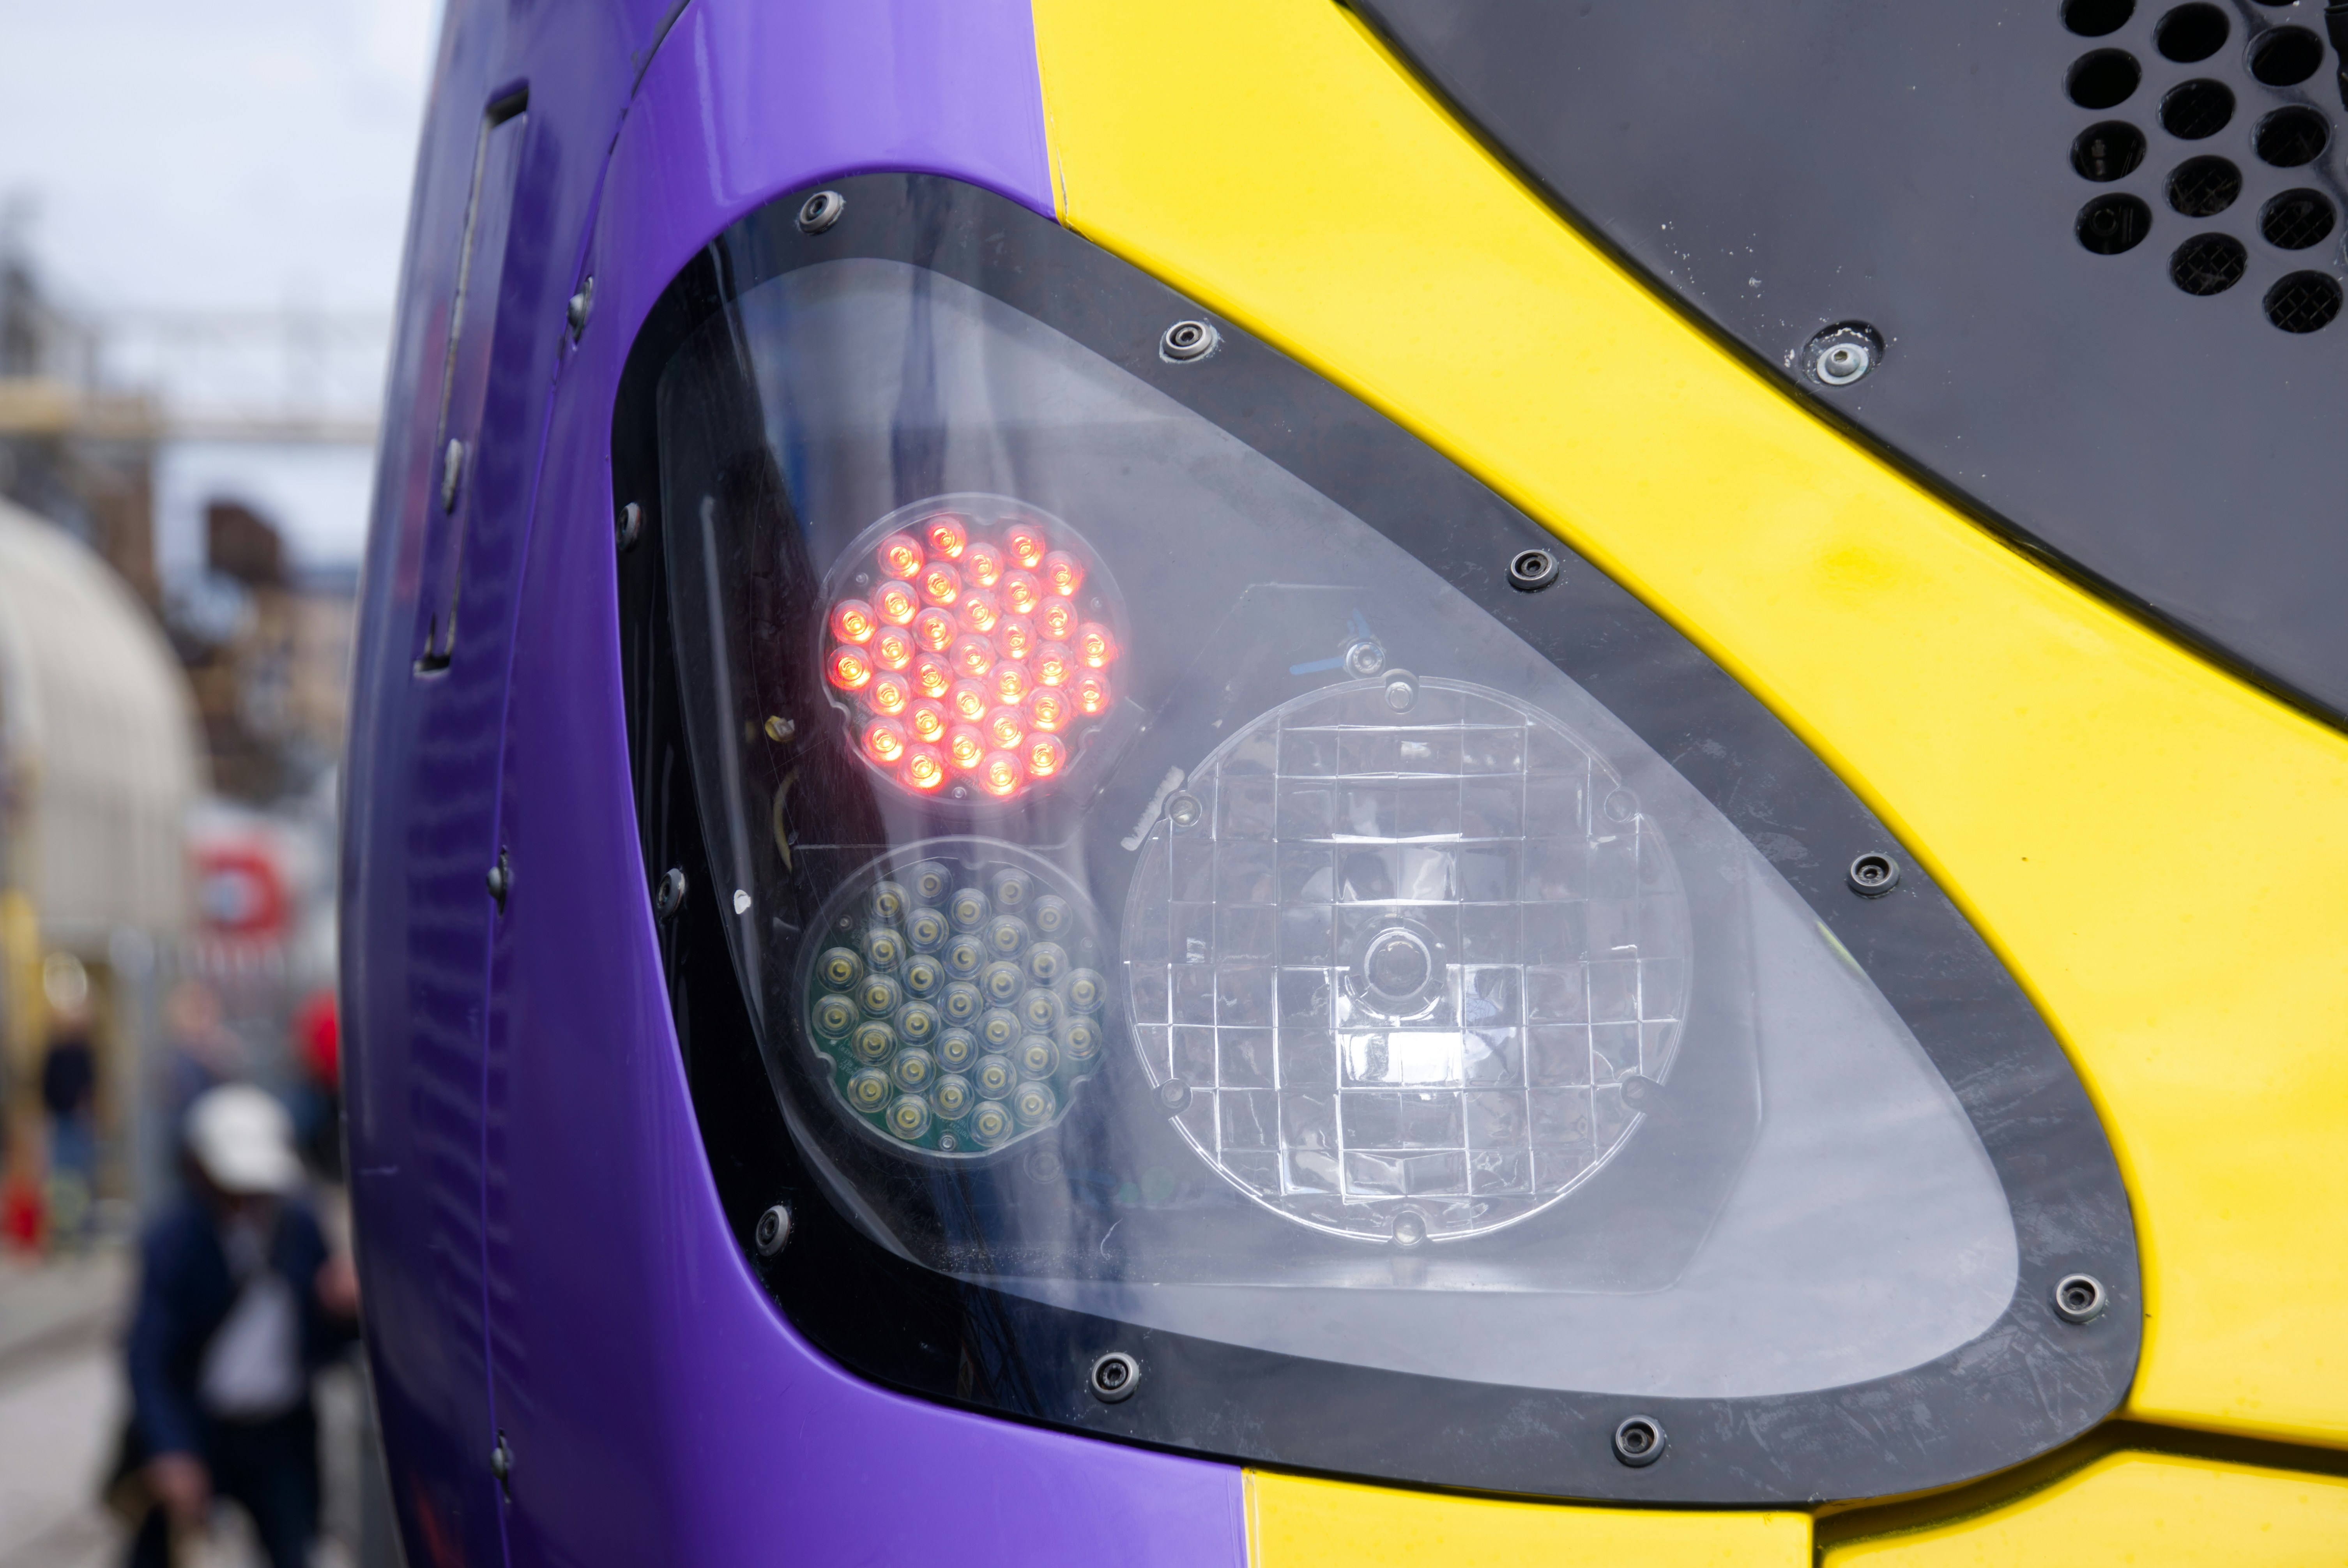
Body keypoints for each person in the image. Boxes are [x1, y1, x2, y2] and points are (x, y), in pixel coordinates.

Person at [122, 1085, 359, 1568]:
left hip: (282, 1432)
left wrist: (342, 1309)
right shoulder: (173, 1240)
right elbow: (148, 1354)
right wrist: (172, 1448)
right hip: (202, 1424)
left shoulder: (300, 1227)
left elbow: (325, 1340)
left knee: (294, 1549)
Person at [40, 1003, 98, 1244]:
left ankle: (82, 1226)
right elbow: (45, 1087)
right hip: (62, 1120)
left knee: (83, 1174)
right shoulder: (54, 1054)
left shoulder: (85, 1053)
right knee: (62, 1176)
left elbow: (92, 1085)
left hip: (80, 1121)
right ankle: (64, 1228)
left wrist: (85, 1108)